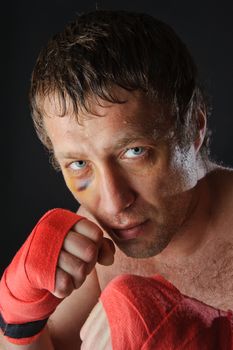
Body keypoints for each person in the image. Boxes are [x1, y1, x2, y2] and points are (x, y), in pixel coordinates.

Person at [0, 9, 232, 350]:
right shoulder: (94, 239)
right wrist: (20, 317)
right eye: (79, 163)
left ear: (194, 127)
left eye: (135, 151)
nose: (112, 203)